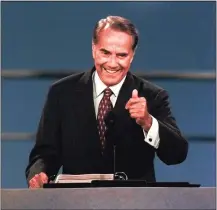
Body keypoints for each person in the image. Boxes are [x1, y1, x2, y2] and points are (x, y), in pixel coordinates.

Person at [26, 15, 188, 188]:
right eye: (105, 53)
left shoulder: (152, 96)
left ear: (132, 56)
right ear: (93, 49)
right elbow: (44, 153)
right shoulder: (61, 93)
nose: (112, 63)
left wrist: (148, 122)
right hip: (77, 202)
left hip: (135, 203)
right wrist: (39, 174)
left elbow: (177, 154)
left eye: (121, 55)